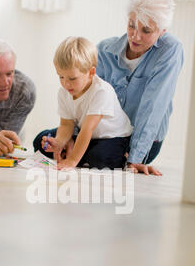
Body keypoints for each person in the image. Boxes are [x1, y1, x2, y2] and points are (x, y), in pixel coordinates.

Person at [96, 0, 184, 176]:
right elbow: (91, 101)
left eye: (146, 30)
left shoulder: (170, 50)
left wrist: (135, 158)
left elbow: (153, 107)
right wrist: (72, 136)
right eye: (132, 25)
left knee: (100, 157)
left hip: (141, 140)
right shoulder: (104, 49)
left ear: (162, 31)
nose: (135, 36)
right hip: (105, 133)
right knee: (43, 140)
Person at [33, 37, 133, 170]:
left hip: (114, 137)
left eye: (72, 78)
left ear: (91, 73)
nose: (66, 83)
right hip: (88, 136)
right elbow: (66, 124)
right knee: (40, 141)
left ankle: (121, 155)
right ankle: (78, 152)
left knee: (98, 159)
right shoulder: (64, 92)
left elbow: (87, 130)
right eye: (61, 76)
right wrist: (59, 142)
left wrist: (72, 161)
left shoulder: (101, 91)